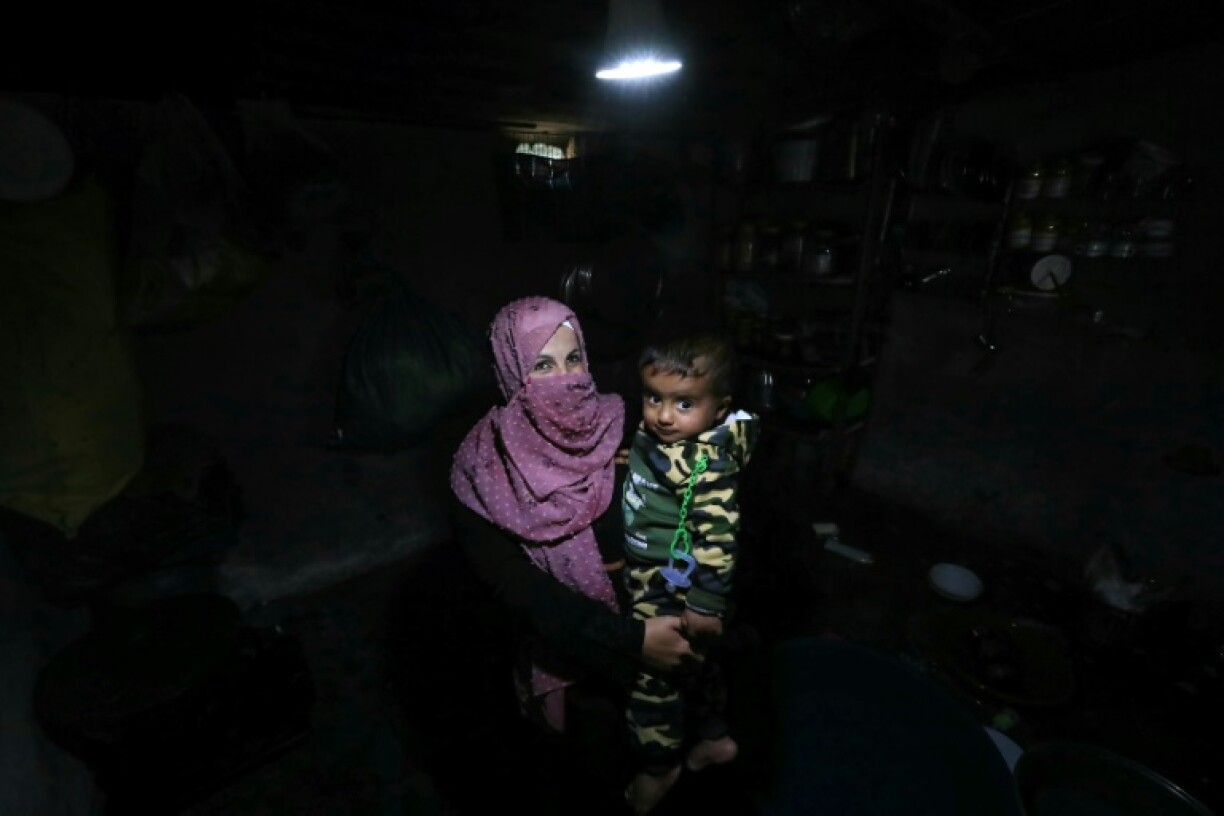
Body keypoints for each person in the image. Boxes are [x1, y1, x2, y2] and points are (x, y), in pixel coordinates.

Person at [448, 296, 696, 803]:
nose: (566, 380)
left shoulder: (619, 422)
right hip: (572, 645)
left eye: (573, 359)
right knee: (590, 769)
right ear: (512, 371)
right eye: (542, 365)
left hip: (654, 618)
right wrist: (630, 641)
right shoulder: (483, 469)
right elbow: (519, 589)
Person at [619, 331, 760, 814]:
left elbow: (719, 540)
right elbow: (651, 452)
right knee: (697, 666)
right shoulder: (659, 437)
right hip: (656, 576)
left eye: (684, 403)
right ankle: (715, 738)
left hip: (668, 588)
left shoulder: (707, 466)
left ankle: (657, 770)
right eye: (654, 397)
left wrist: (704, 604)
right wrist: (632, 462)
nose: (662, 414)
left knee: (654, 679)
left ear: (719, 410)